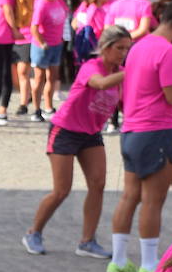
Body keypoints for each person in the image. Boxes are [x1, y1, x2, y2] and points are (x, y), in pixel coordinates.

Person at [21, 25, 129, 258]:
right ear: (106, 48)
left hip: (90, 133)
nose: (123, 54)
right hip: (65, 130)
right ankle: (33, 232)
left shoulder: (120, 75)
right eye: (120, 48)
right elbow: (99, 83)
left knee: (98, 185)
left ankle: (87, 242)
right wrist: (131, 72)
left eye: (127, 49)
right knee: (62, 190)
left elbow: (125, 104)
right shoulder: (92, 67)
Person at [104, 0, 172, 272]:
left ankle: (118, 261)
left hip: (132, 130)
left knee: (130, 196)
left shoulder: (139, 46)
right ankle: (149, 266)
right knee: (153, 201)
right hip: (158, 130)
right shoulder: (169, 51)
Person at [30, 0, 68, 122]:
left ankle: (49, 107)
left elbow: (65, 14)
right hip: (43, 46)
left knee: (52, 77)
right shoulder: (42, 4)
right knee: (39, 78)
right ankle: (36, 108)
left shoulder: (59, 1)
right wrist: (42, 42)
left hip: (56, 44)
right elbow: (34, 27)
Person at [12, 0, 40, 117]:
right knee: (20, 73)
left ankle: (25, 104)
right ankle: (26, 97)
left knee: (25, 71)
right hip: (18, 37)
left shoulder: (38, 1)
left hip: (31, 37)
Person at [73, 0, 112, 64]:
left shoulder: (111, 6)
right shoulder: (85, 5)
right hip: (86, 44)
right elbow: (74, 24)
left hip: (103, 45)